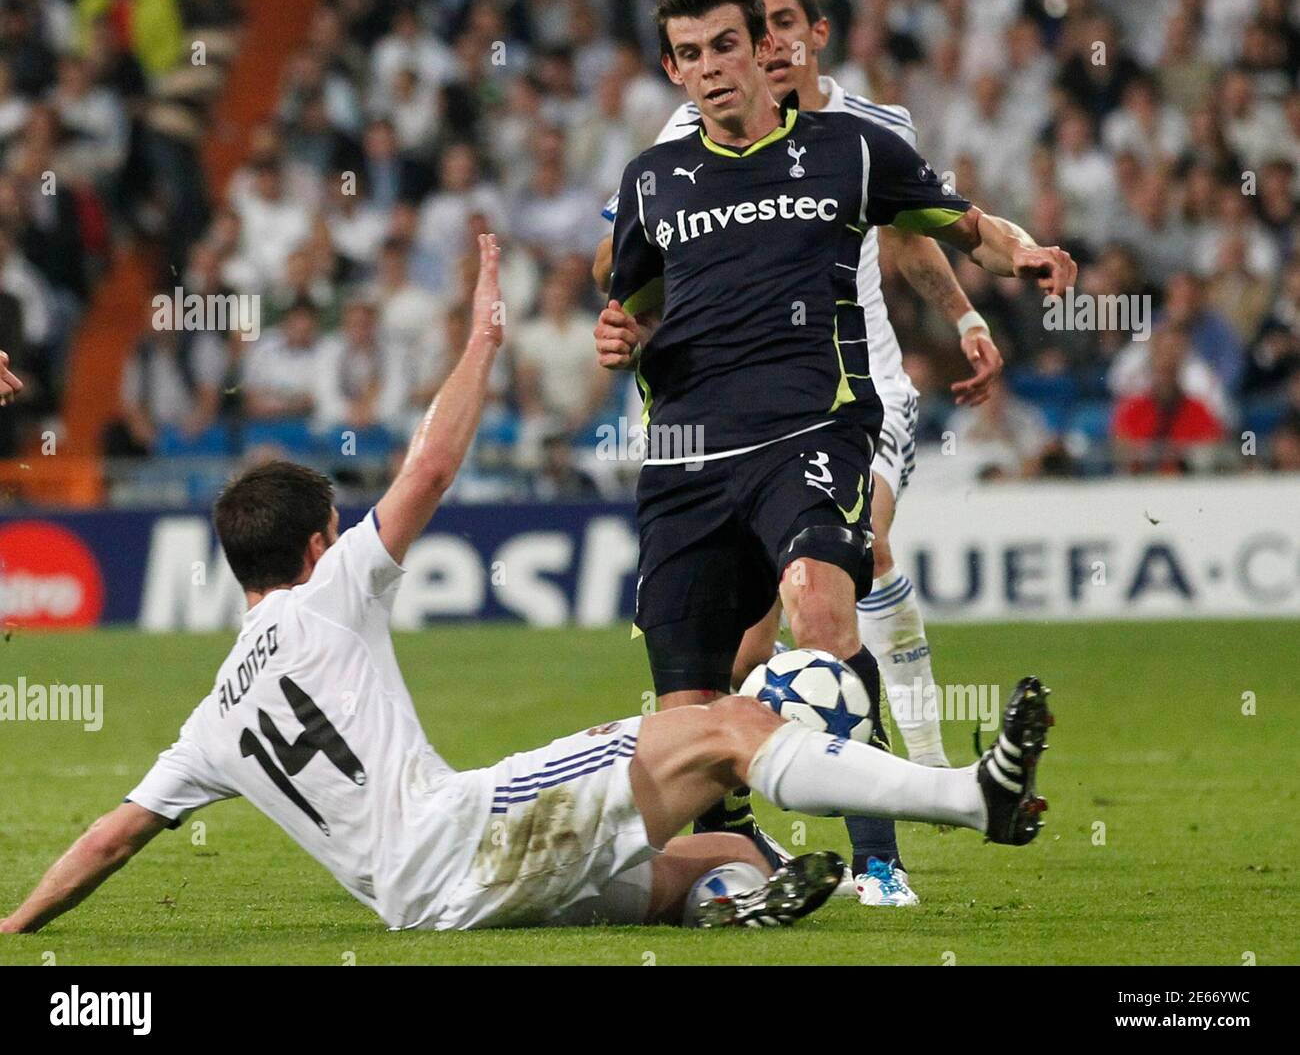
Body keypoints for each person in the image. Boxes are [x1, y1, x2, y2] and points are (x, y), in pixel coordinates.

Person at [0, 241, 1051, 935]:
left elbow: (110, 838)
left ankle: (732, 906)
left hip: (424, 905)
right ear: (321, 544)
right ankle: (971, 797)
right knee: (728, 725)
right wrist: (481, 341)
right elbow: (428, 469)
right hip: (468, 834)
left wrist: (12, 928)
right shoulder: (333, 595)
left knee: (721, 848)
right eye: (340, 526)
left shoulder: (209, 720)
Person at [592, 0, 1074, 902]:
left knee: (819, 610)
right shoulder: (652, 176)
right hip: (687, 455)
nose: (712, 69)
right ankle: (735, 867)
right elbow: (633, 304)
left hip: (811, 428)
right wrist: (615, 337)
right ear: (673, 70)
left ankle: (882, 857)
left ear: (764, 50)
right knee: (693, 706)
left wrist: (1024, 256)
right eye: (689, 56)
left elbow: (959, 225)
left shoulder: (850, 149)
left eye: (726, 46)